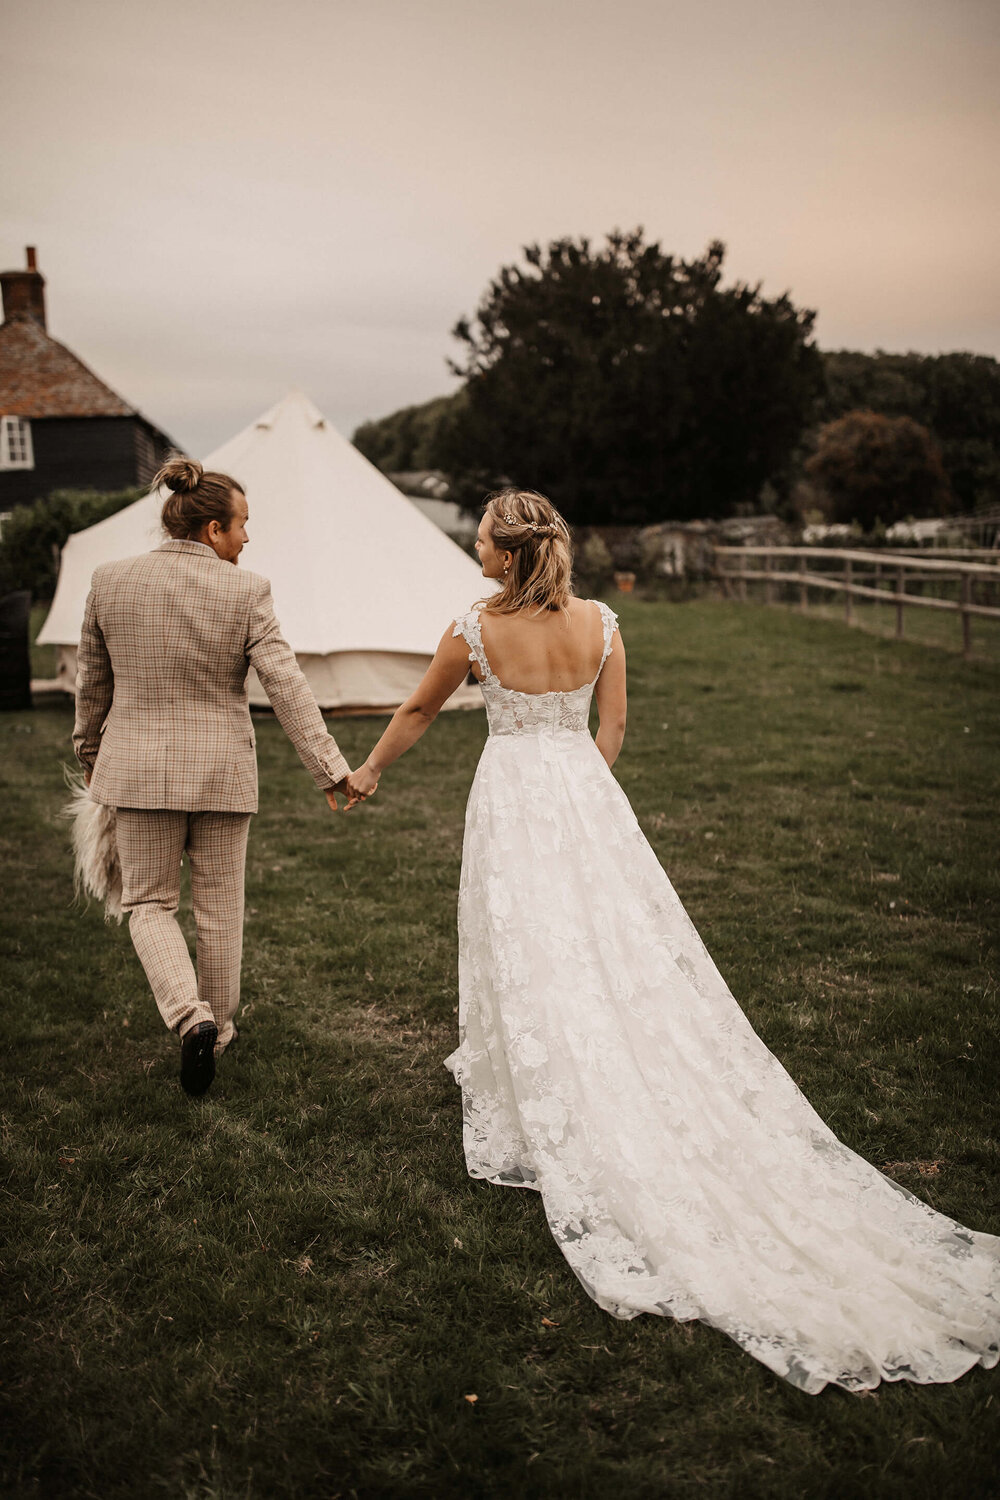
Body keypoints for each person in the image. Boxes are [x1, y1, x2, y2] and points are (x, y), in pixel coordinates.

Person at [346, 486, 999, 1394]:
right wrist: (582, 794)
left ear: (509, 553)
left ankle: (546, 1084)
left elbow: (417, 714)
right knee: (608, 943)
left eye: (485, 541)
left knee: (525, 938)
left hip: (512, 802)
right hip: (585, 797)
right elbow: (612, 729)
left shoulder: (472, 629)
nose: (477, 552)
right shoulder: (603, 625)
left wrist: (369, 772)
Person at [73, 457, 355, 1098]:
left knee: (148, 903)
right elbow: (287, 686)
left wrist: (92, 755)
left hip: (139, 772)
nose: (248, 538)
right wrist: (330, 768)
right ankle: (218, 1028)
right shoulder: (247, 591)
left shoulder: (109, 582)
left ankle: (188, 1016)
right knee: (221, 911)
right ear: (210, 530)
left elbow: (93, 685)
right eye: (242, 525)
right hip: (224, 773)